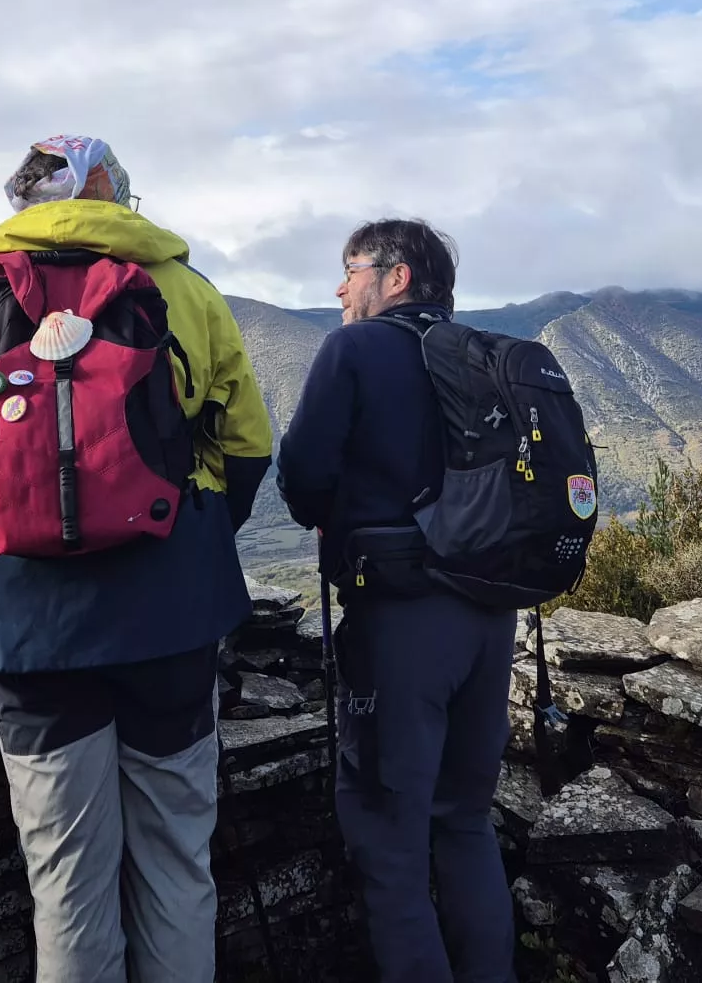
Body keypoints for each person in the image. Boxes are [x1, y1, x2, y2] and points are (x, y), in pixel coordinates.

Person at [0, 134, 273, 983]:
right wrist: (192, 545)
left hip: (25, 627)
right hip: (171, 617)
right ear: (113, 193)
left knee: (67, 883)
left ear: (25, 197)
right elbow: (245, 447)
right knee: (176, 861)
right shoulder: (186, 290)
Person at [277, 218, 516, 983]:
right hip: (490, 614)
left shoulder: (354, 348)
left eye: (350, 271)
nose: (340, 288)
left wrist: (336, 506)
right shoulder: (489, 356)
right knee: (465, 823)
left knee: (388, 839)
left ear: (396, 276)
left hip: (404, 622)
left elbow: (304, 474)